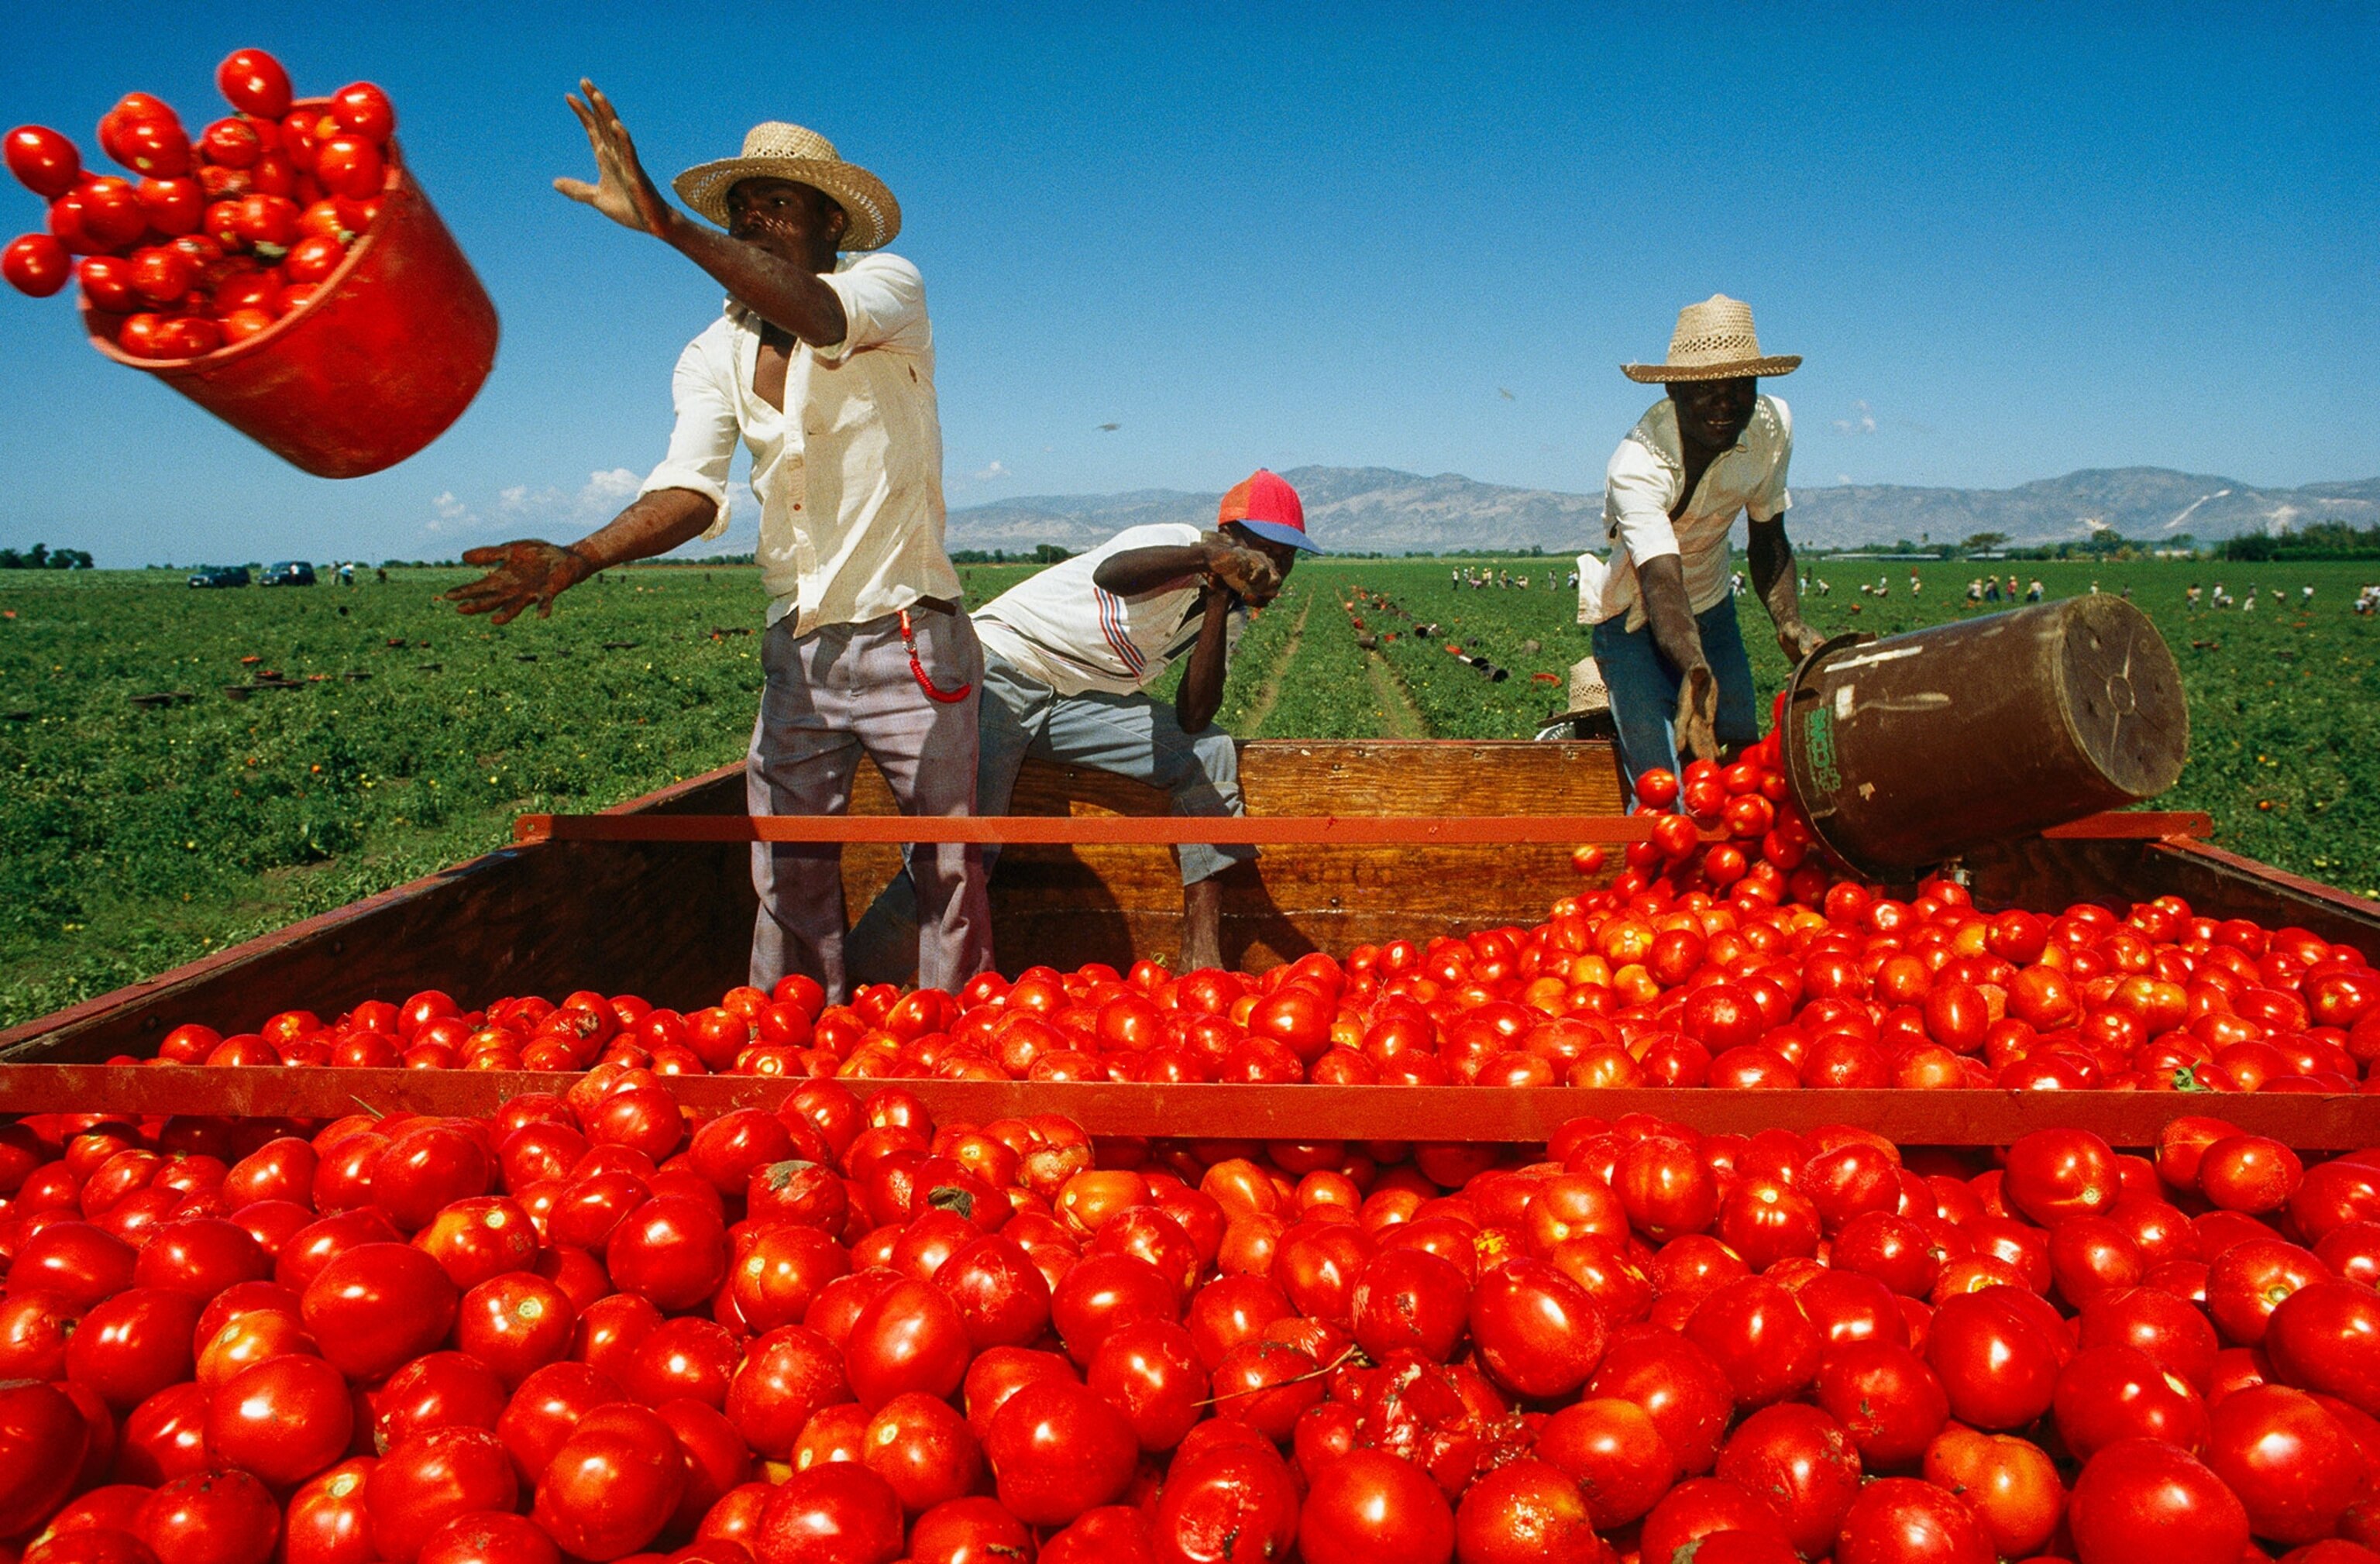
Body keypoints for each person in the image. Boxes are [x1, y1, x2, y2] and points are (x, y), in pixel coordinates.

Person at [444, 91, 987, 1001]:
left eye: (777, 205)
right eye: (740, 210)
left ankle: (960, 1046)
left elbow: (817, 314)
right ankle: (793, 1051)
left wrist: (664, 225)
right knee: (787, 874)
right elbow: (691, 494)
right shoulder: (711, 352)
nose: (751, 221)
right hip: (800, 643)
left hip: (911, 636)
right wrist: (578, 557)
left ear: (830, 221)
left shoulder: (887, 288)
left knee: (949, 868)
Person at [856, 471, 1316, 975]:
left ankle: (1200, 960)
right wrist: (1209, 560)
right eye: (1265, 550)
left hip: (1068, 699)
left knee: (1206, 749)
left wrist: (1216, 602)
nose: (1274, 567)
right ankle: (852, 986)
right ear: (1231, 536)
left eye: (1286, 557)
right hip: (1002, 669)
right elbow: (1111, 573)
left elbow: (1193, 715)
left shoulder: (1228, 611)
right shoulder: (1176, 543)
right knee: (962, 856)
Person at [1578, 295, 1818, 785]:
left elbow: (1768, 536)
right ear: (1674, 389)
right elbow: (1662, 582)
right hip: (1634, 620)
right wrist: (1695, 668)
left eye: (1739, 385)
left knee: (1741, 768)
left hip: (1713, 609)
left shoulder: (1773, 430)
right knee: (1663, 785)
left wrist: (1790, 621)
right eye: (1706, 387)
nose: (1725, 401)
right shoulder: (1638, 465)